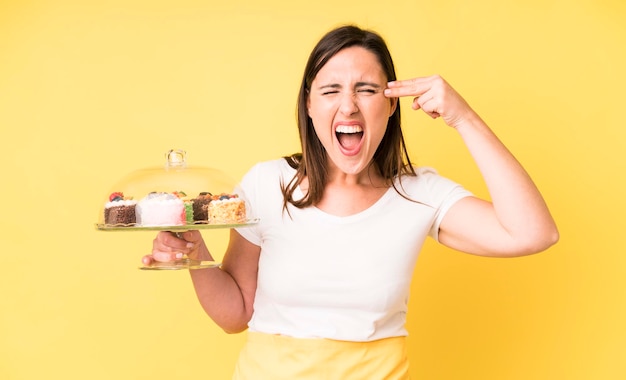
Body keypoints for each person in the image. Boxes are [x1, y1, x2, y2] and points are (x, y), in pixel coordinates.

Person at [143, 25, 559, 379]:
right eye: (330, 90)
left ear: (391, 103)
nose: (348, 106)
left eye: (366, 89)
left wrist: (463, 117)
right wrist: (194, 252)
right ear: (309, 104)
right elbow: (236, 314)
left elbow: (533, 233)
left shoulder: (419, 194)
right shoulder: (267, 183)